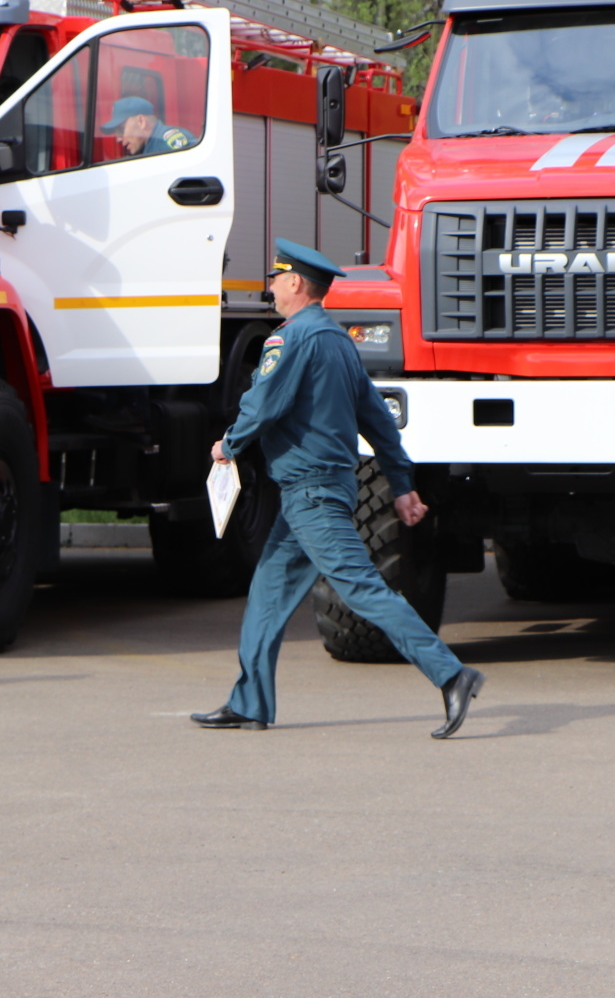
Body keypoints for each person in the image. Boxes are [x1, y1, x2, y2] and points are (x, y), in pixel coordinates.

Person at [194, 239, 485, 737]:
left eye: (275, 278)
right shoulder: (340, 344)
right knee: (268, 591)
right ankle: (250, 702)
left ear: (295, 284)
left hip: (311, 494)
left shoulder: (289, 341)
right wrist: (400, 484)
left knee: (363, 590)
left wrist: (229, 445)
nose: (270, 287)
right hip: (317, 492)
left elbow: (262, 404)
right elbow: (380, 423)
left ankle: (452, 675)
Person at [99, 96, 194, 157]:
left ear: (141, 121)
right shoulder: (152, 148)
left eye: (121, 129)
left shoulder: (164, 146)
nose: (118, 139)